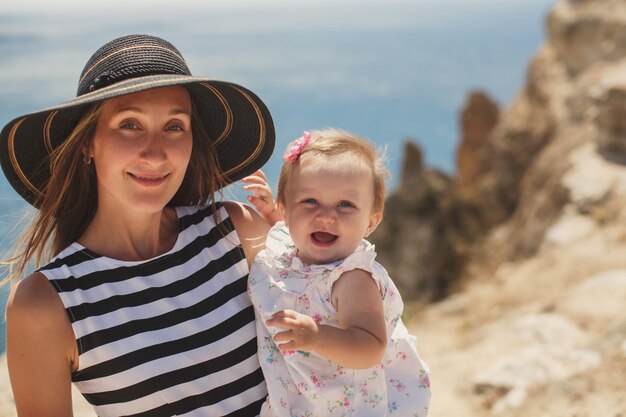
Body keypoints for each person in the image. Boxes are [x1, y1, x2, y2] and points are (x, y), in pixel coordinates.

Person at [0, 34, 278, 417]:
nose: (155, 152)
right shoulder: (47, 305)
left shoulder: (236, 231)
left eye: (175, 126)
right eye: (130, 124)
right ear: (87, 143)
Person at [247, 129, 431, 417]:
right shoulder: (289, 248)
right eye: (309, 201)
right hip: (303, 399)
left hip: (349, 407)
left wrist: (319, 336)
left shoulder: (351, 279)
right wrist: (270, 212)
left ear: (370, 222)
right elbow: (288, 233)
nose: (326, 216)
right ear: (286, 211)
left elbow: (371, 346)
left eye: (345, 205)